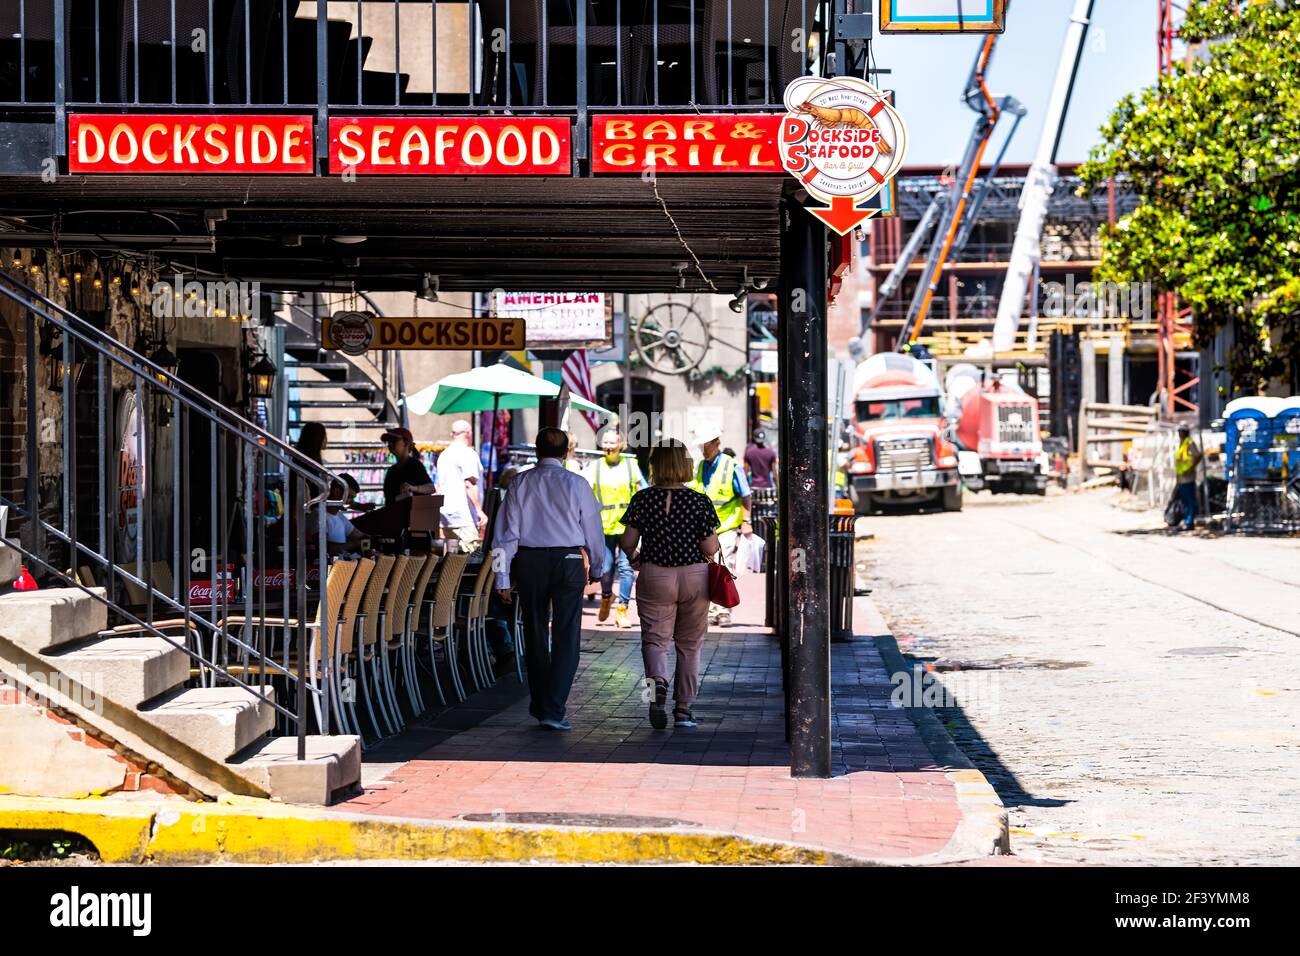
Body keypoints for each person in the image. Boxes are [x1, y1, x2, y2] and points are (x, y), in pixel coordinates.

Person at [493, 427, 607, 731]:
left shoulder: (520, 483)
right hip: (568, 560)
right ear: (566, 451)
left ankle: (542, 703)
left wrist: (501, 578)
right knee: (567, 635)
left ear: (536, 450)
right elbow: (594, 531)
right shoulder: (577, 483)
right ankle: (553, 707)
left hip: (529, 562)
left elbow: (504, 535)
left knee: (534, 634)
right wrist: (597, 567)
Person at [620, 439, 721, 730]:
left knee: (655, 642)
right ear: (684, 465)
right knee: (690, 645)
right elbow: (711, 546)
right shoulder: (698, 500)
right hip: (694, 577)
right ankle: (684, 710)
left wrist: (636, 558)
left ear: (655, 466)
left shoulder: (643, 498)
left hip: (654, 575)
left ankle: (657, 688)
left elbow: (627, 542)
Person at [689, 427, 752, 626]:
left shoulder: (731, 465)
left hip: (725, 526)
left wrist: (746, 522)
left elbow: (745, 495)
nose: (703, 449)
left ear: (716, 443)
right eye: (701, 446)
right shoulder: (700, 466)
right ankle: (710, 610)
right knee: (705, 569)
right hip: (704, 528)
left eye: (706, 445)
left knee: (724, 567)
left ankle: (723, 611)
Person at [584, 429, 647, 629]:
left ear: (621, 444)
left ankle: (622, 609)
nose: (608, 447)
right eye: (605, 443)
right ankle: (606, 597)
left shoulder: (631, 465)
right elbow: (583, 495)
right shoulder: (594, 467)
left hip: (628, 526)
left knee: (626, 567)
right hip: (603, 527)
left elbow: (644, 491)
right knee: (605, 568)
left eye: (612, 443)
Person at [349, 426, 434, 541]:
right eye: (388, 441)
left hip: (407, 522)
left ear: (406, 443)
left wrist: (413, 488)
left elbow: (430, 488)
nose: (390, 444)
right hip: (392, 518)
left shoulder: (415, 466)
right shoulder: (392, 471)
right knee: (352, 527)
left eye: (394, 441)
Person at [436, 419, 487, 552]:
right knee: (472, 557)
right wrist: (479, 510)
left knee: (451, 562)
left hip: (446, 515)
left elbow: (439, 486)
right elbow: (469, 484)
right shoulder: (468, 453)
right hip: (465, 516)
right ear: (469, 434)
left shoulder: (444, 455)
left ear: (452, 434)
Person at [1174, 423, 1202, 531]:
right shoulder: (1182, 443)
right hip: (1181, 478)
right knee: (1185, 501)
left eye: (1180, 431)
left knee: (1190, 501)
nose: (1179, 433)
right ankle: (1186, 520)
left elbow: (1198, 456)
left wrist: (1190, 469)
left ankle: (1189, 522)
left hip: (1188, 477)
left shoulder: (1189, 443)